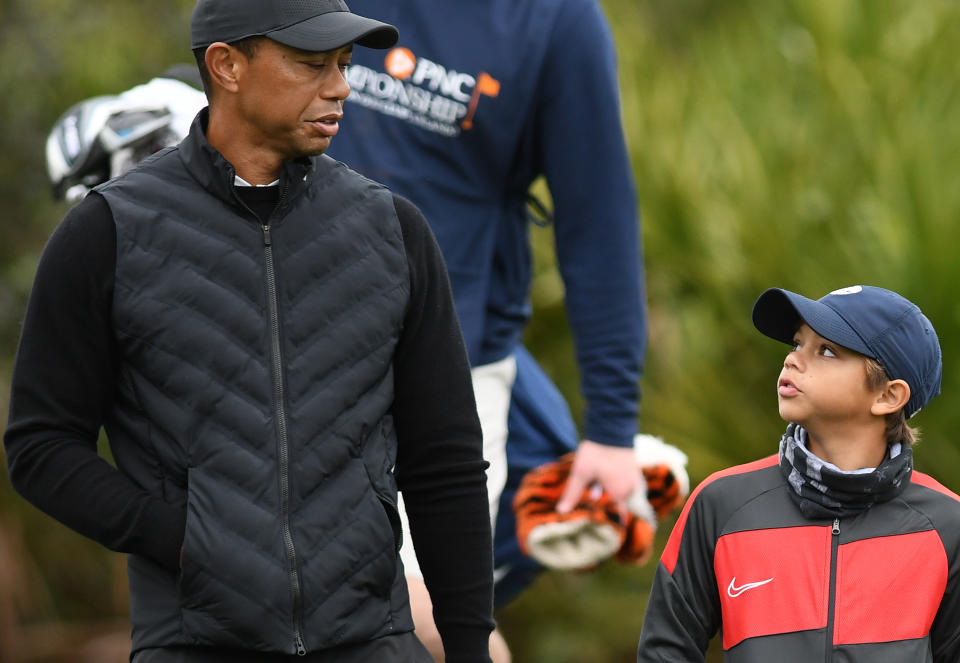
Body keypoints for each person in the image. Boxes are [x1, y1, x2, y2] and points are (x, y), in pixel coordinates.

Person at [4, 1, 497, 661]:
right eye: (312, 63)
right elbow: (41, 447)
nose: (341, 87)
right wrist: (184, 538)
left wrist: (468, 647)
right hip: (195, 641)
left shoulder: (392, 230)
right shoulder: (107, 233)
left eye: (345, 65)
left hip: (375, 641)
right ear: (227, 65)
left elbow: (444, 466)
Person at [323, 2, 648, 659]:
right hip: (291, 342)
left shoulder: (557, 22)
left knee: (433, 618)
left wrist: (612, 431)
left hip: (450, 366)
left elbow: (598, 224)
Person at [637, 285, 960, 662]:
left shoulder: (947, 526)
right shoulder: (722, 504)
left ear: (888, 396)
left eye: (826, 350)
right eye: (796, 344)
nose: (792, 360)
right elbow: (664, 653)